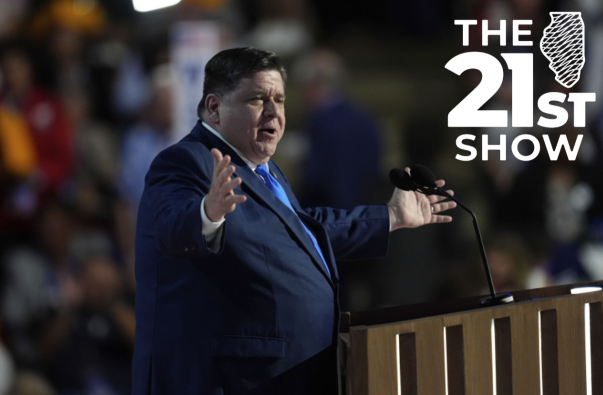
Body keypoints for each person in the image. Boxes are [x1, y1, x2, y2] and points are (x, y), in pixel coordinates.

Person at [132, 47, 456, 395]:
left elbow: (301, 230)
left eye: (280, 100)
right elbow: (170, 228)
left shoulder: (262, 170)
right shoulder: (185, 160)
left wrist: (391, 217)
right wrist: (207, 213)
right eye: (258, 99)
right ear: (214, 107)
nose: (274, 112)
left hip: (285, 375)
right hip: (226, 380)